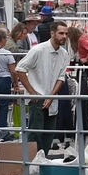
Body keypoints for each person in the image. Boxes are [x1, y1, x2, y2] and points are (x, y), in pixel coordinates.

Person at [15, 21, 70, 154]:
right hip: (37, 99)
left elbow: (61, 78)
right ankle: (31, 166)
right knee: (35, 136)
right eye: (61, 33)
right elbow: (20, 69)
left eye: (66, 34)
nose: (64, 36)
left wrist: (51, 96)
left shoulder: (64, 54)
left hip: (52, 100)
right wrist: (32, 92)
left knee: (48, 137)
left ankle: (42, 166)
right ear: (52, 33)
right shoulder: (38, 50)